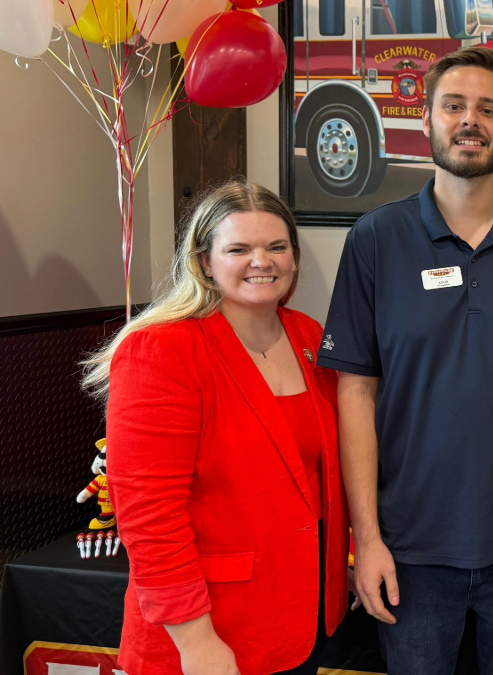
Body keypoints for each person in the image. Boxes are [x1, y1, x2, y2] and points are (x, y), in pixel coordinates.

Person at [319, 45, 493, 675]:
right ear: (428, 120)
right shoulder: (374, 239)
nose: (470, 120)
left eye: (488, 109)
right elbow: (354, 394)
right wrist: (368, 539)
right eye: (454, 105)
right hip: (410, 549)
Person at [84, 180, 349, 675]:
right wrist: (196, 639)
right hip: (207, 634)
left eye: (276, 246)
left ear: (294, 257)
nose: (261, 261)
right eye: (238, 249)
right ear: (205, 261)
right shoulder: (161, 349)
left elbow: (316, 482)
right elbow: (149, 515)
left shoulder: (310, 336)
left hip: (299, 620)